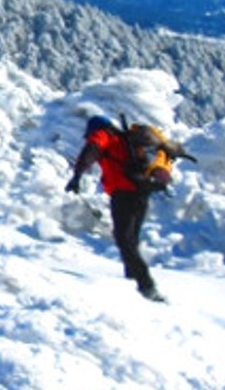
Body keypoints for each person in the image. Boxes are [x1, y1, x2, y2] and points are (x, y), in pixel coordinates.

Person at [65, 115, 165, 302]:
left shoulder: (104, 135)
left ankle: (146, 286)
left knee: (123, 239)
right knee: (131, 238)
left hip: (123, 194)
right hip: (141, 191)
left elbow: (91, 150)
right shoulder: (125, 140)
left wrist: (77, 175)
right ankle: (132, 278)